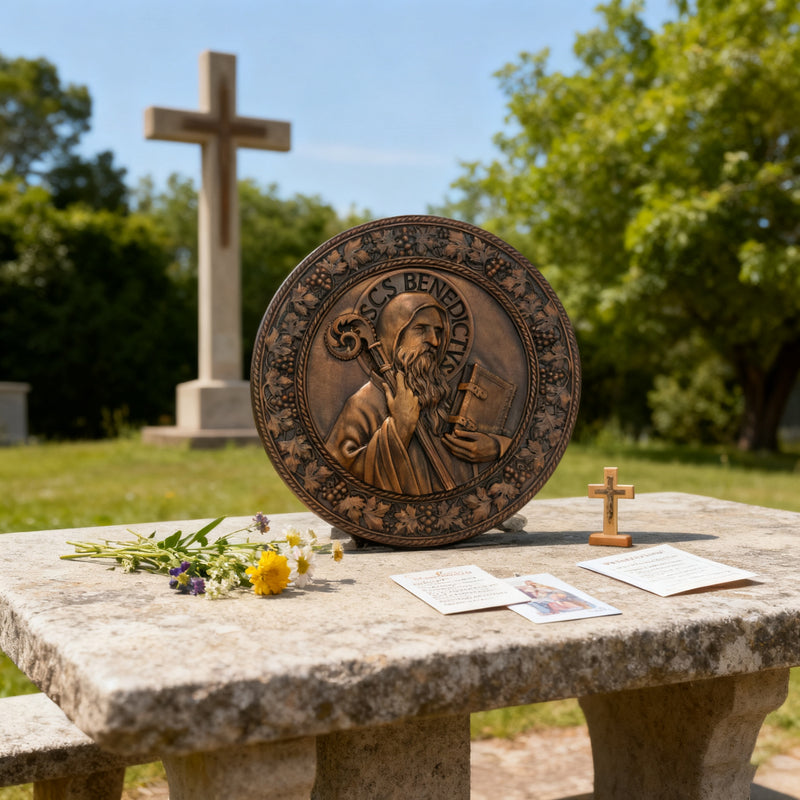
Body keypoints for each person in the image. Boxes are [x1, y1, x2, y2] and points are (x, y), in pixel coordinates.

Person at [325, 292, 508, 494]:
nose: (435, 341)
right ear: (394, 337)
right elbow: (335, 479)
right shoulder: (363, 404)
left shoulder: (441, 395)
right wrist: (399, 427)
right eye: (421, 329)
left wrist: (498, 446)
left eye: (438, 331)